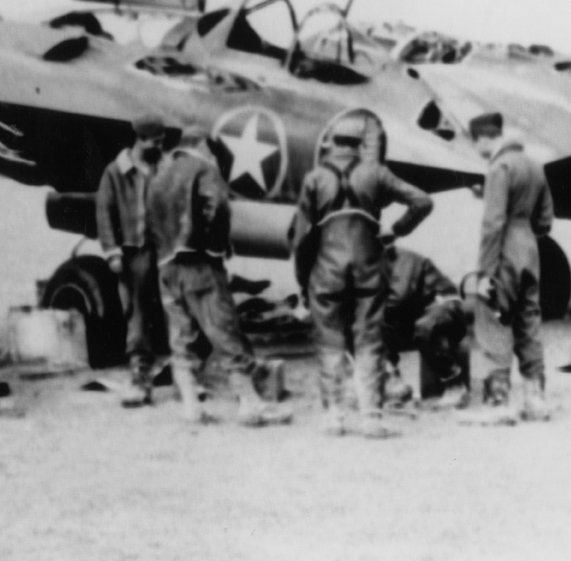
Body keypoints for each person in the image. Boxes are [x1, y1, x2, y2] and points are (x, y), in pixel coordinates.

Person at [290, 113, 433, 438]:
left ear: (331, 142)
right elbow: (422, 201)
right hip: (369, 267)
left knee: (330, 341)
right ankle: (371, 417)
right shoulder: (376, 172)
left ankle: (335, 417)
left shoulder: (315, 178)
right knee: (369, 338)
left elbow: (300, 239)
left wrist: (302, 280)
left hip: (326, 271)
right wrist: (395, 231)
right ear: (360, 144)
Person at [147, 126, 289, 426]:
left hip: (166, 268)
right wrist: (214, 248)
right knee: (225, 333)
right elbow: (219, 206)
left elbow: (148, 222)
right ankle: (250, 405)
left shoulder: (157, 176)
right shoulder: (203, 168)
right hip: (199, 265)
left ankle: (191, 408)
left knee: (181, 339)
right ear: (201, 145)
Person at [460, 111, 554, 426]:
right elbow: (545, 221)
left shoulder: (499, 167)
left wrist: (485, 273)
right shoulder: (535, 165)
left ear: (484, 138)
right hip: (530, 249)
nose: (478, 150)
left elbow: (492, 224)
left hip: (504, 252)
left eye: (476, 144)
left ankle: (498, 401)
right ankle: (535, 399)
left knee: (493, 317)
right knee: (529, 320)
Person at [95, 113, 169, 407]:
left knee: (173, 309)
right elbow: (104, 213)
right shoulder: (115, 172)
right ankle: (139, 374)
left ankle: (183, 370)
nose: (160, 147)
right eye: (155, 142)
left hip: (163, 254)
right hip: (132, 254)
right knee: (136, 314)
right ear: (140, 139)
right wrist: (112, 251)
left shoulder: (164, 169)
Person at [379, 245, 469, 408]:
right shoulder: (366, 264)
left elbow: (400, 296)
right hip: (408, 314)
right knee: (364, 325)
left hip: (442, 307)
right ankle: (392, 382)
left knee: (426, 326)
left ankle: (454, 384)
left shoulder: (405, 260)